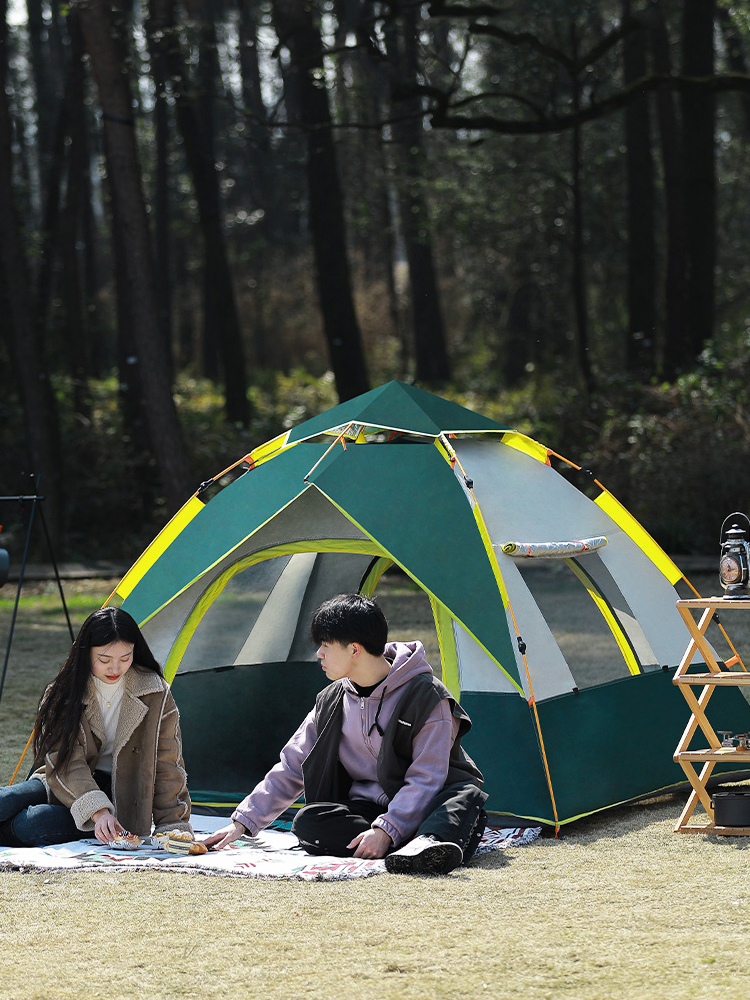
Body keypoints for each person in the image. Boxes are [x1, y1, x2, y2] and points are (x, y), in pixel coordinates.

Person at [205, 593, 487, 874]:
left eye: (326, 645)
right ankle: (415, 844)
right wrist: (243, 822)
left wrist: (387, 830)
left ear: (354, 650)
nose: (319, 653)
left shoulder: (427, 696)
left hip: (431, 799)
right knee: (309, 822)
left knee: (461, 798)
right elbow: (292, 765)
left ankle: (429, 840)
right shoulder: (331, 700)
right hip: (370, 809)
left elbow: (427, 777)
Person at [0, 607, 192, 847]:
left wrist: (173, 825)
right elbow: (64, 760)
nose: (116, 668)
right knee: (6, 800)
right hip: (66, 780)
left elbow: (168, 764)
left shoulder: (155, 692)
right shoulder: (64, 693)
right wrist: (96, 809)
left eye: (125, 658)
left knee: (33, 823)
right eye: (104, 660)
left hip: (120, 801)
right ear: (85, 653)